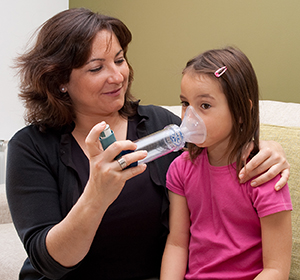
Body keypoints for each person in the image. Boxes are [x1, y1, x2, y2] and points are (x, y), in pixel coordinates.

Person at [6, 8, 289, 280]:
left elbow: (218, 138)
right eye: (96, 68)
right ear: (59, 81)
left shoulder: (159, 125)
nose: (117, 76)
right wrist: (96, 195)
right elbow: (49, 263)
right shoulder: (31, 148)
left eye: (119, 60)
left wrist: (264, 147)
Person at [160, 47, 292, 280]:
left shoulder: (263, 174)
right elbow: (178, 244)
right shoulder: (180, 169)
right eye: (185, 104)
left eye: (205, 106)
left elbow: (276, 269)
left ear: (241, 112)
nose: (189, 117)